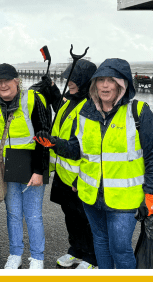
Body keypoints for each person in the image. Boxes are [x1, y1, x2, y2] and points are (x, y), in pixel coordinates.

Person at [36, 58, 153, 269]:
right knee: (101, 243)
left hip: (125, 200)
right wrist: (55, 144)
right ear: (94, 84)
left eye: (111, 81)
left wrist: (152, 196)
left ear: (122, 84)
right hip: (91, 195)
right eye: (101, 80)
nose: (105, 85)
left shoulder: (139, 112)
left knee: (120, 248)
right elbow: (78, 149)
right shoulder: (87, 112)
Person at [0, 64, 50, 269]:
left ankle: (37, 258)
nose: (3, 85)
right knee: (13, 213)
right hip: (9, 165)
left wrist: (39, 171)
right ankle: (15, 253)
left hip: (32, 164)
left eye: (7, 80)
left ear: (17, 81)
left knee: (33, 214)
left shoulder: (33, 99)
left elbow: (44, 136)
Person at [43, 60, 99, 269]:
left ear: (85, 81)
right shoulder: (70, 101)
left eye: (73, 79)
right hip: (64, 173)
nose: (69, 82)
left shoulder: (91, 106)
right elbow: (61, 109)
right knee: (71, 216)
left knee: (85, 218)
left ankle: (91, 257)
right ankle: (76, 250)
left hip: (80, 175)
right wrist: (51, 88)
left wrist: (79, 177)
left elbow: (87, 146)